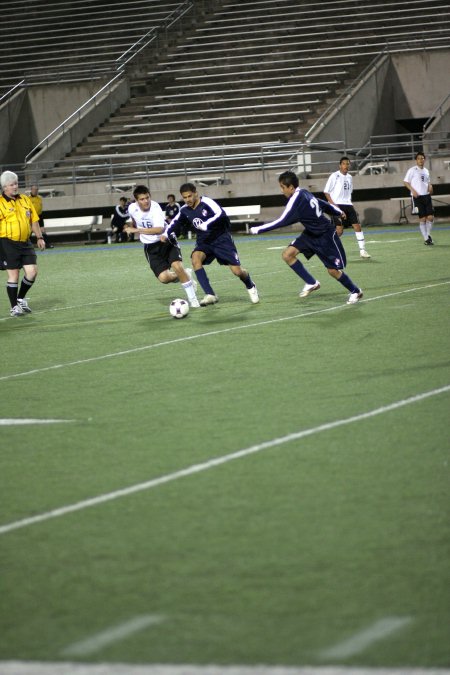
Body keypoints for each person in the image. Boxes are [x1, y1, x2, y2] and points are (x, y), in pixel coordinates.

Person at [250, 170, 363, 305]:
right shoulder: (304, 192)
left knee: (332, 270)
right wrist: (337, 211)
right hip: (310, 234)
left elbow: (282, 221)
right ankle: (311, 282)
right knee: (288, 254)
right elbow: (322, 203)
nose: (281, 191)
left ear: (291, 187)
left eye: (282, 187)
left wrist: (258, 229)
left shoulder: (296, 201)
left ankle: (355, 291)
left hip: (325, 235)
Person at [164, 182, 259, 306]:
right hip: (204, 241)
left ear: (196, 194)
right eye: (185, 197)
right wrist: (166, 234)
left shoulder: (207, 202)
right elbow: (175, 222)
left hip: (221, 239)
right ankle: (210, 294)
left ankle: (250, 285)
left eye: (190, 196)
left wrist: (206, 224)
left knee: (237, 271)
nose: (187, 200)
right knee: (195, 259)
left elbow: (220, 213)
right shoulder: (184, 210)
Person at [123, 185, 200, 308]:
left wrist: (136, 230)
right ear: (136, 201)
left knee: (177, 266)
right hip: (150, 247)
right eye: (142, 199)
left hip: (166, 240)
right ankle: (186, 274)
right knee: (164, 278)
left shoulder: (155, 208)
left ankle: (193, 300)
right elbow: (133, 219)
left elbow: (159, 229)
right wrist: (129, 227)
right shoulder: (132, 208)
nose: (146, 201)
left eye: (147, 197)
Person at [0, 171, 46, 317]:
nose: (15, 186)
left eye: (16, 183)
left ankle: (20, 298)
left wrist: (39, 237)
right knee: (14, 275)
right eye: (12, 184)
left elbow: (34, 220)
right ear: (4, 187)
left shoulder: (25, 200)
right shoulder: (0, 203)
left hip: (25, 242)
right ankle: (14, 307)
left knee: (32, 272)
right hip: (7, 242)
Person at [323, 157, 371, 258]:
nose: (346, 166)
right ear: (340, 165)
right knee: (339, 231)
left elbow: (349, 192)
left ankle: (363, 251)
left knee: (357, 226)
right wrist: (334, 206)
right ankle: (327, 246)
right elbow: (326, 192)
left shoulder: (349, 177)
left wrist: (351, 205)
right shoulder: (334, 176)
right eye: (344, 164)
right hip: (337, 205)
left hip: (348, 205)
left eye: (348, 164)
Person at [403, 152, 434, 245]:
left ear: (424, 160)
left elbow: (428, 182)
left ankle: (428, 235)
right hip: (417, 197)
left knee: (430, 217)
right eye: (419, 158)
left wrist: (430, 187)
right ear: (416, 160)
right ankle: (426, 238)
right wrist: (413, 191)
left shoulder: (426, 171)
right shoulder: (412, 170)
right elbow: (405, 182)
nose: (421, 160)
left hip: (427, 196)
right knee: (423, 218)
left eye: (422, 158)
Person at [29, 184, 54, 248]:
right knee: (30, 231)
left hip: (39, 216)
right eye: (34, 189)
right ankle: (27, 245)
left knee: (43, 230)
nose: (35, 191)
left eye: (36, 190)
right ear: (31, 190)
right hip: (31, 217)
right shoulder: (28, 198)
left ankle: (47, 244)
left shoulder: (39, 198)